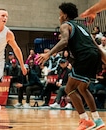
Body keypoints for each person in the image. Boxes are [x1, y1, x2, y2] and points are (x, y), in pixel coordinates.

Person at [36, 2, 105, 130]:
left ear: (65, 15)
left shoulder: (65, 25)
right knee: (83, 88)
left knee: (69, 88)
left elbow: (64, 41)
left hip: (84, 57)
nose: (59, 17)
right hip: (94, 56)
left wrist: (48, 54)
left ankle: (85, 120)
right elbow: (95, 45)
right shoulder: (83, 28)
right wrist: (104, 58)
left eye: (60, 14)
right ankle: (97, 119)